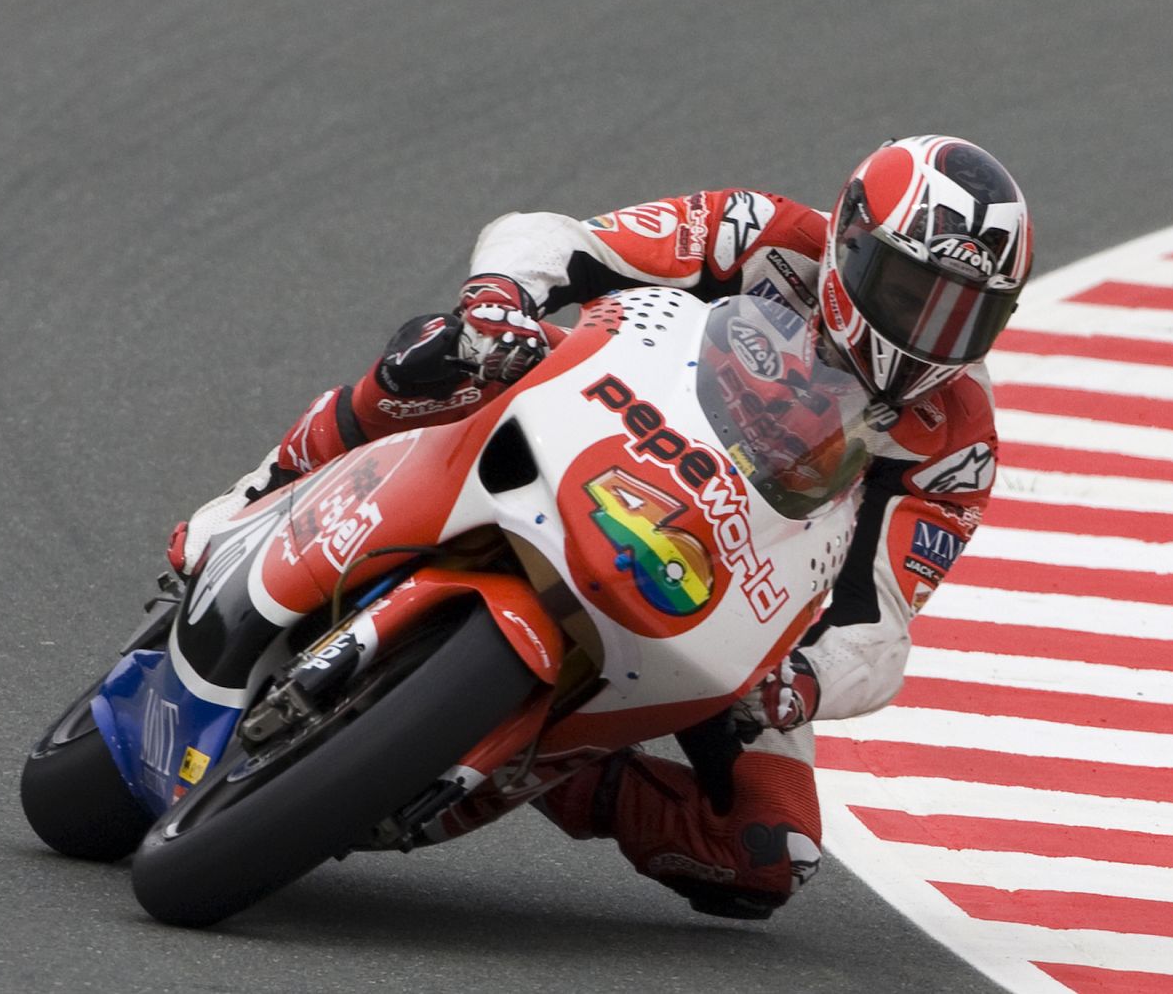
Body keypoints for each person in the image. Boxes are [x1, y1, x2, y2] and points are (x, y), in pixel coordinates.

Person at [169, 134, 1032, 919]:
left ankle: (551, 761)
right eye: (911, 292)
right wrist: (503, 296)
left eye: (965, 315)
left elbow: (878, 622)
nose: (929, 332)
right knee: (441, 350)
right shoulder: (759, 236)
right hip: (606, 425)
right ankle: (259, 492)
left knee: (770, 850)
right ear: (849, 245)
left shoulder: (956, 442)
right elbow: (561, 239)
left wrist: (804, 683)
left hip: (732, 586)